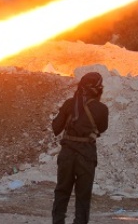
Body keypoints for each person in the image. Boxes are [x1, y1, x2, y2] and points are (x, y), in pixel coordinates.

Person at [51, 72, 109, 224]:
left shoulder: (69, 104)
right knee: (83, 196)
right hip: (86, 155)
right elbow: (102, 129)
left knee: (62, 192)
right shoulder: (102, 109)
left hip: (67, 154)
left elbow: (55, 127)